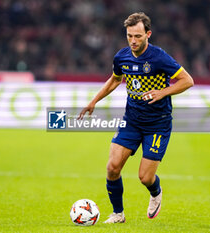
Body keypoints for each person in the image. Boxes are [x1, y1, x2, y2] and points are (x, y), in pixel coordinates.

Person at [78, 12, 194, 223]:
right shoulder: (121, 57)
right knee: (112, 167)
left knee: (145, 177)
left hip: (157, 123)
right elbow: (115, 79)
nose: (133, 41)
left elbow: (187, 81)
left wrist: (162, 92)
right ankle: (118, 214)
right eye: (129, 36)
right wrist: (94, 100)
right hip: (131, 120)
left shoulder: (159, 57)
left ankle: (155, 192)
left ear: (148, 34)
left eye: (138, 36)